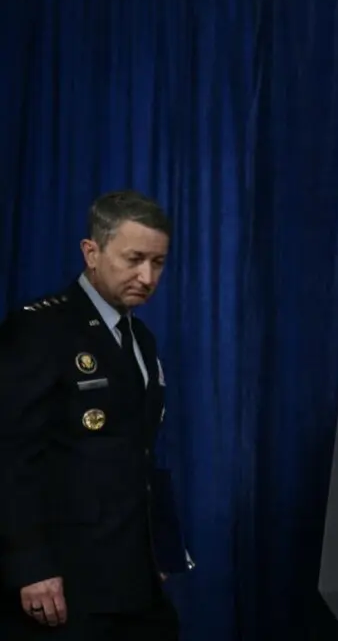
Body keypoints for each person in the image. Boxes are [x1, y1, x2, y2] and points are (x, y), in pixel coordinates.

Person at [0, 190, 192, 640]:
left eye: (158, 263)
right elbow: (9, 454)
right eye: (134, 259)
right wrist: (31, 565)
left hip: (133, 572)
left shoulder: (141, 338)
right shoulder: (40, 329)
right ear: (92, 252)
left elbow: (138, 452)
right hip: (65, 578)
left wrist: (159, 549)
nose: (147, 276)